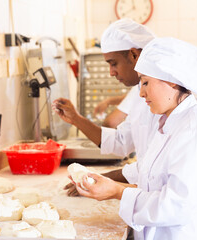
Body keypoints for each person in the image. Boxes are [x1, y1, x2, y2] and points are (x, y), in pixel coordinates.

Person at [72, 37, 197, 239]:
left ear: (171, 79)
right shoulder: (170, 121)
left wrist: (117, 192)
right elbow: (149, 169)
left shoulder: (194, 131)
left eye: (145, 82)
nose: (141, 93)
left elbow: (175, 205)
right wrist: (106, 180)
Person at [53, 18, 158, 196]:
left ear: (134, 55)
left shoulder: (168, 101)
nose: (111, 72)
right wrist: (76, 120)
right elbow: (121, 142)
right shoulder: (139, 90)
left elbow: (157, 177)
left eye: (113, 63)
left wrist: (113, 188)